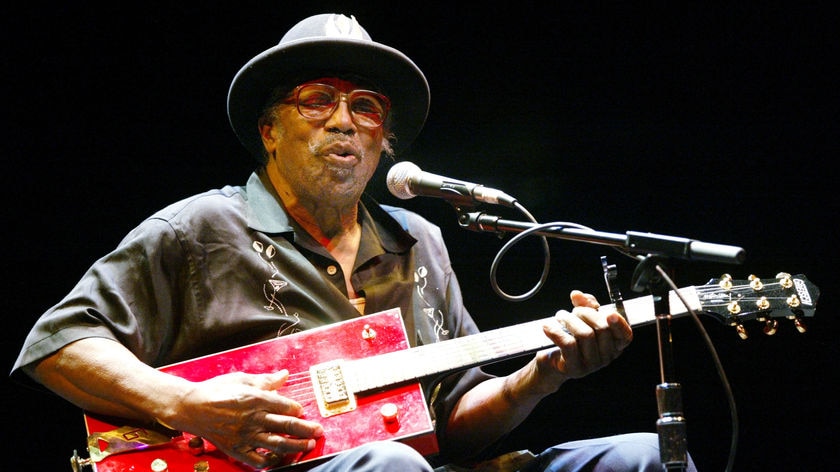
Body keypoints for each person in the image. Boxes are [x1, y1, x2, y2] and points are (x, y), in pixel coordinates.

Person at [11, 13, 696, 472]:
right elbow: (59, 344)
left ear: (383, 141)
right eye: (318, 99)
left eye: (365, 106)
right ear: (270, 130)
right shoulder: (198, 230)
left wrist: (542, 376)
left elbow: (449, 421)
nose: (345, 120)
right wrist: (183, 404)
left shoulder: (418, 241)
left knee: (642, 456)